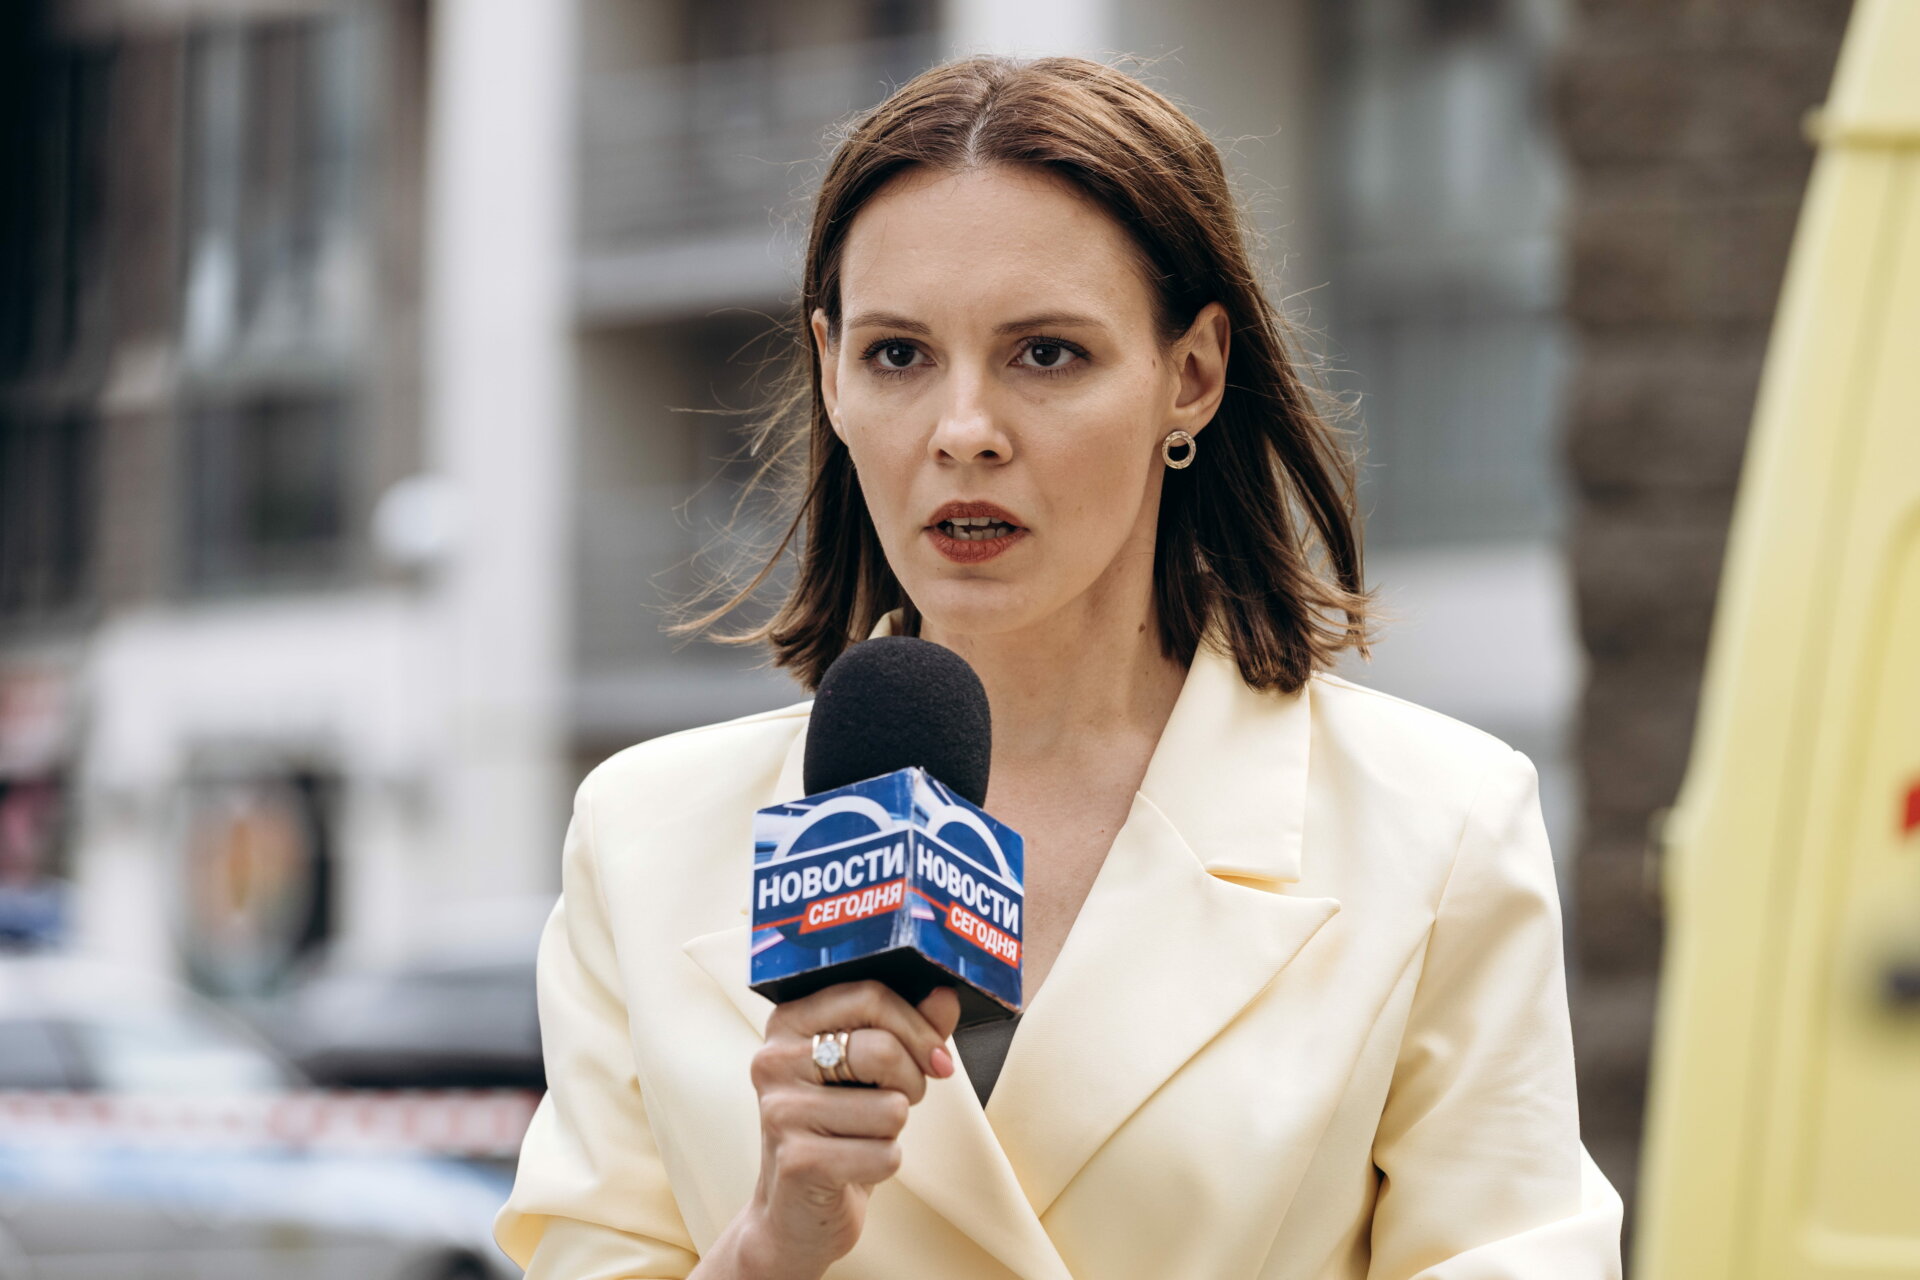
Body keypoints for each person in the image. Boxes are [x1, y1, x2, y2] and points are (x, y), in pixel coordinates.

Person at [492, 54, 1624, 1280]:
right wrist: (770, 1243)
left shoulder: (1436, 825)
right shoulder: (644, 838)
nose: (963, 430)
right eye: (898, 354)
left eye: (1045, 354)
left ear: (1191, 373)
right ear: (830, 371)